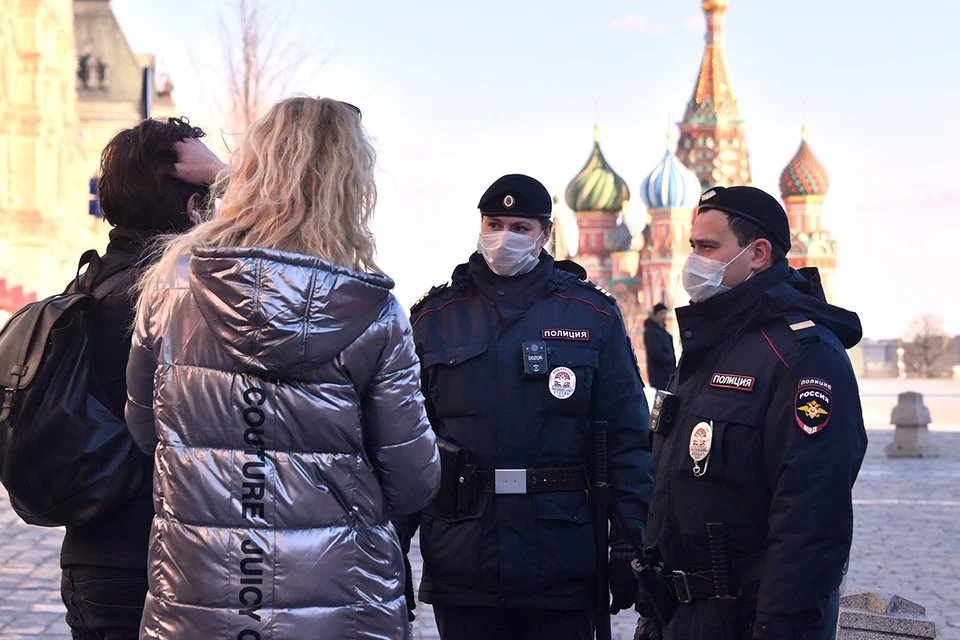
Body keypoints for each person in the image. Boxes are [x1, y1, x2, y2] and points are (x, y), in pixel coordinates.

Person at [124, 97, 441, 640]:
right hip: (343, 597)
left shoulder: (169, 285)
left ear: (250, 170)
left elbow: (144, 427)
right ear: (350, 184)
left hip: (198, 593)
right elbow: (413, 480)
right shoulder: (371, 310)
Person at [396, 174, 653, 640]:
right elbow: (406, 445)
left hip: (563, 558)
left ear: (545, 234)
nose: (505, 237)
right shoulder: (435, 318)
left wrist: (628, 544)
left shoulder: (591, 315)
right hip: (463, 559)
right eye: (495, 223)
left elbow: (628, 439)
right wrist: (390, 551)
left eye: (520, 227)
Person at [638, 186, 868, 640]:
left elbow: (811, 516)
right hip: (684, 615)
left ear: (758, 253)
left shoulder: (802, 353)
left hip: (751, 618)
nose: (693, 261)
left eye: (708, 247)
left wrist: (778, 626)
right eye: (693, 247)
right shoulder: (712, 344)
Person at [59, 116, 220, 640]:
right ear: (195, 206)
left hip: (93, 557)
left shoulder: (91, 283)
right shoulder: (184, 299)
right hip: (163, 563)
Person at [643, 303, 676, 390]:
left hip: (668, 373)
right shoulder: (652, 331)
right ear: (655, 315)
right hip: (660, 374)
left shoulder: (662, 331)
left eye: (665, 313)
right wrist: (670, 359)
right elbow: (655, 352)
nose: (664, 316)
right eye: (661, 313)